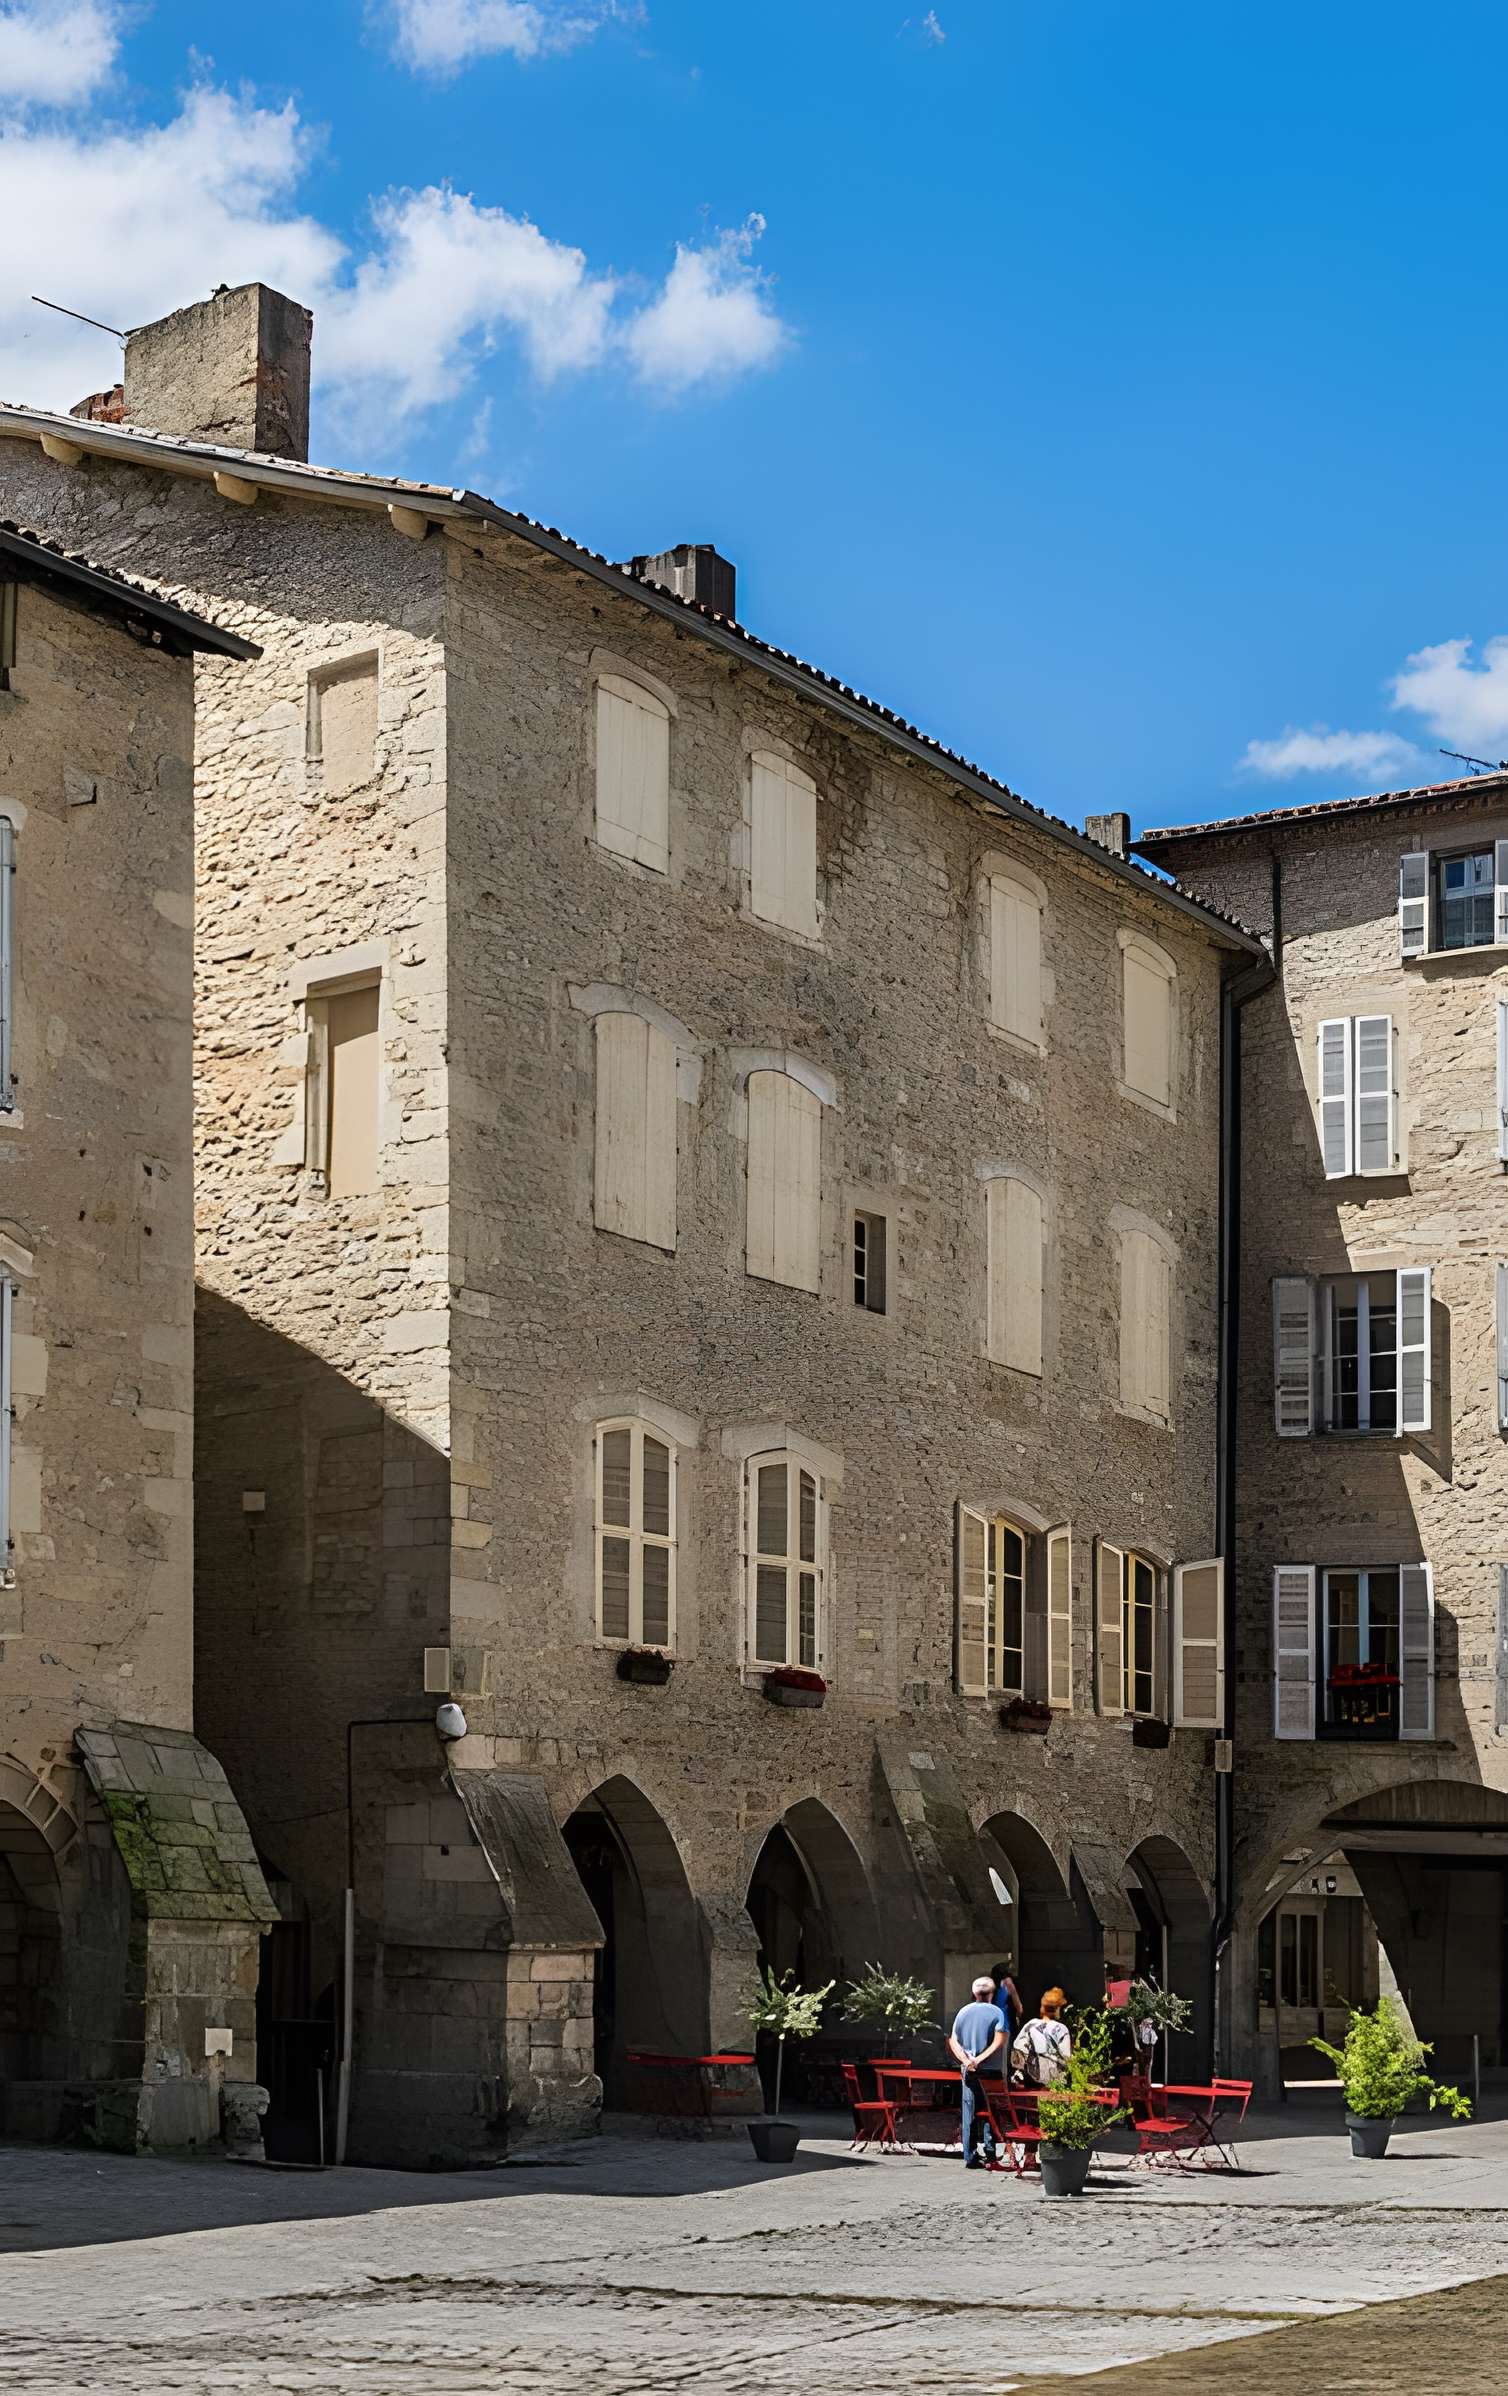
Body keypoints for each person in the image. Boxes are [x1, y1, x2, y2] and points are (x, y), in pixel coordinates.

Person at [948, 1974, 1008, 2168]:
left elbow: (953, 2041)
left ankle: (970, 2155)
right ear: (992, 1993)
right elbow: (999, 2041)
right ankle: (990, 2153)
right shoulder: (998, 2013)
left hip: (969, 2070)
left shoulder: (962, 2012)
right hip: (991, 2070)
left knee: (969, 2111)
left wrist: (967, 2061)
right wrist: (980, 2059)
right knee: (991, 2111)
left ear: (973, 1992)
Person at [1012, 1986, 1072, 2088]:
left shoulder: (1030, 2025)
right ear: (1057, 2009)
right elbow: (1066, 2058)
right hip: (1054, 2085)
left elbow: (1018, 2051)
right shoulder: (1061, 2029)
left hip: (1031, 2082)